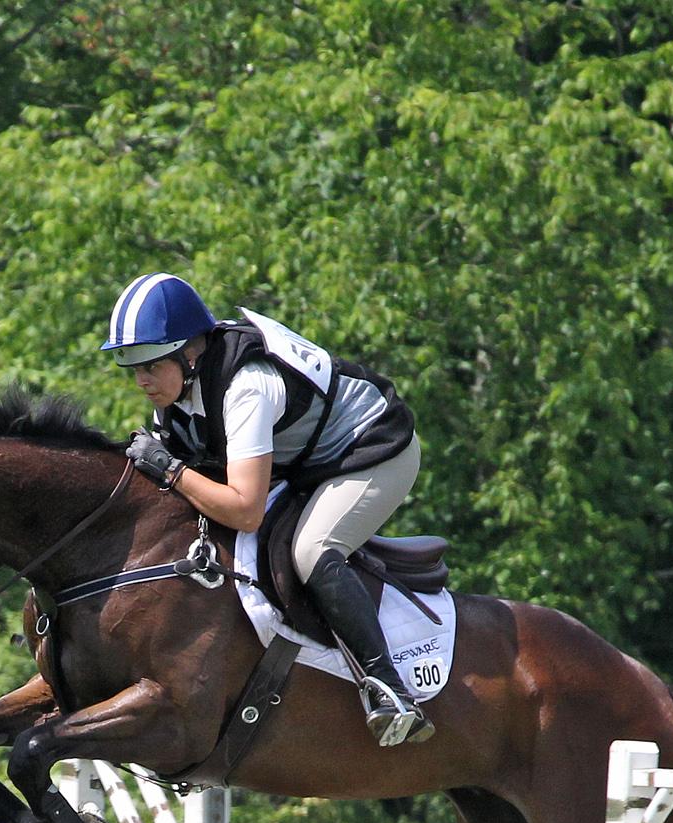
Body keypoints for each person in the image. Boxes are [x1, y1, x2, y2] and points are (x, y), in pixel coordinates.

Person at [102, 273, 433, 747]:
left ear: (189, 353)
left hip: (373, 448)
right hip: (303, 464)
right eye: (131, 367)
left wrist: (172, 472)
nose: (141, 380)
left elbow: (244, 510)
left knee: (312, 551)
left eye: (151, 364)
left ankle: (390, 691)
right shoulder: (176, 398)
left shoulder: (246, 386)